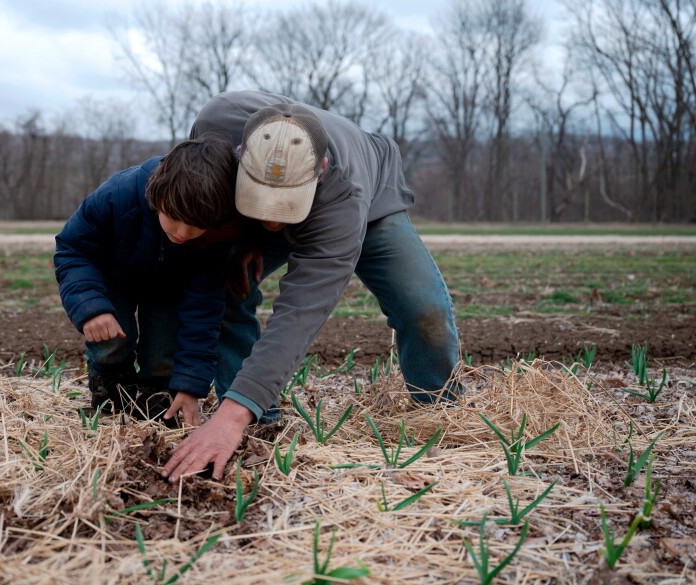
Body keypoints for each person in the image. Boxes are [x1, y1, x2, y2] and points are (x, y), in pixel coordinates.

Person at [162, 91, 463, 481]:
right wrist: (244, 240)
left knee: (423, 310)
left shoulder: (344, 194)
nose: (273, 224)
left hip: (369, 203)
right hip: (257, 200)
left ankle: (442, 412)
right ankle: (261, 428)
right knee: (222, 287)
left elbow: (298, 315)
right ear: (239, 154)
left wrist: (229, 415)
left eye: (281, 209)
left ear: (319, 169)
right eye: (262, 205)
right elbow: (212, 197)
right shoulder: (216, 123)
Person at [54, 133, 239, 428]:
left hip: (170, 287)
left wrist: (190, 387)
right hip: (111, 278)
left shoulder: (212, 242)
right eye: (174, 217)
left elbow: (203, 313)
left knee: (165, 351)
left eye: (197, 226)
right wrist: (90, 306)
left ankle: (159, 399)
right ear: (159, 194)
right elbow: (72, 249)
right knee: (111, 341)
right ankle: (112, 396)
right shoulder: (117, 195)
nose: (182, 232)